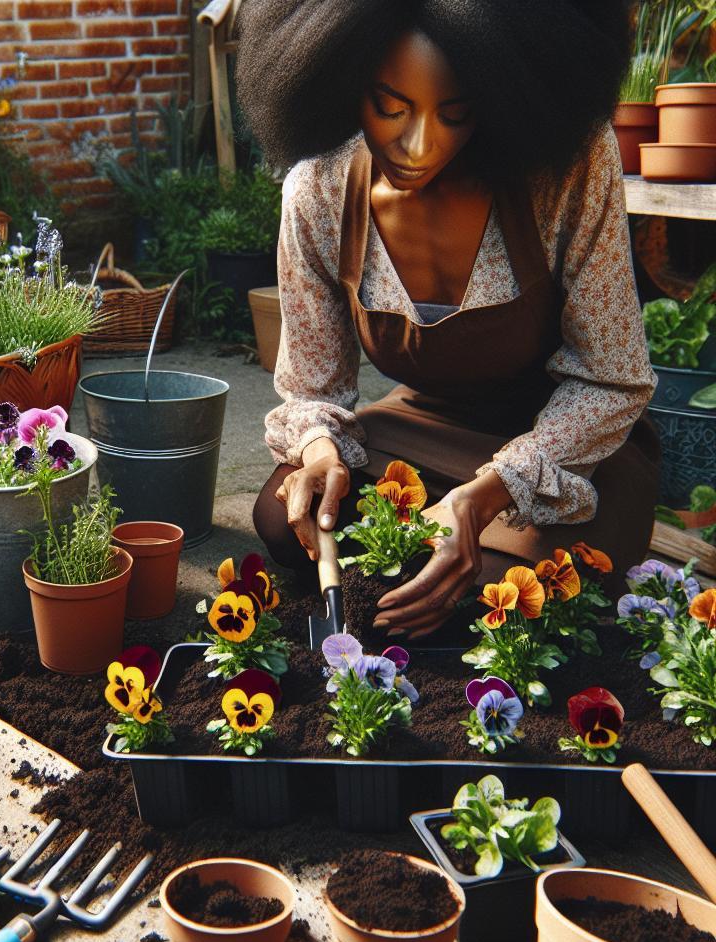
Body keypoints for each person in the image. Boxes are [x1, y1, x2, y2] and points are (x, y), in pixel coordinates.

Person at [238, 0, 660, 640]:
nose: (420, 144)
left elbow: (612, 379)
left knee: (492, 588)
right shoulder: (320, 191)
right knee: (283, 516)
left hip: (568, 444)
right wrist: (320, 449)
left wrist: (484, 496)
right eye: (390, 107)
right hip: (422, 425)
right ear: (343, 79)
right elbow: (313, 388)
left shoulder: (564, 167)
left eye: (456, 113)